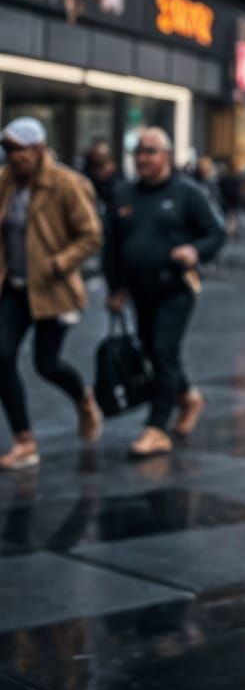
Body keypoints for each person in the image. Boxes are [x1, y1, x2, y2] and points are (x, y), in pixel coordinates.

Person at [105, 128, 226, 459]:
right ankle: (188, 397)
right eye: (139, 152)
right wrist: (116, 288)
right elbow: (112, 246)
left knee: (163, 349)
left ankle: (156, 427)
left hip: (175, 287)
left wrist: (196, 251)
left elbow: (216, 233)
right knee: (151, 350)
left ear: (167, 156)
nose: (143, 158)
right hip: (139, 288)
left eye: (151, 151)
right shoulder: (125, 194)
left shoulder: (188, 193)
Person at [0, 117, 104, 471]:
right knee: (1, 356)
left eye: (19, 150)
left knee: (46, 364)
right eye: (8, 149)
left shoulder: (65, 184)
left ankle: (83, 398)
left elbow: (91, 235)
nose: (13, 157)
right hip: (14, 287)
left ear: (38, 149)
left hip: (52, 288)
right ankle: (24, 441)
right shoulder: (5, 182)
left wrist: (61, 262)